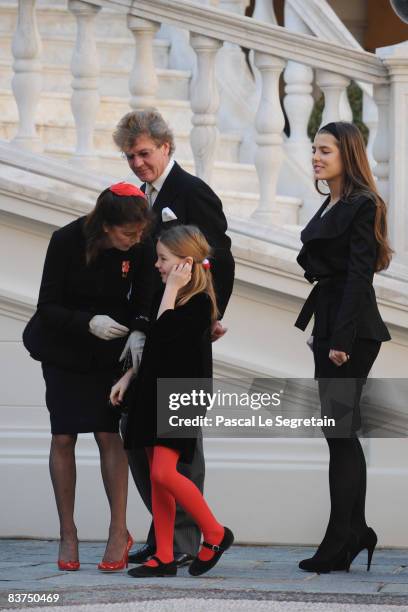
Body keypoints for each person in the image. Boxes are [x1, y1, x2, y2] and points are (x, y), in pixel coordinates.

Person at [113, 109, 235, 566]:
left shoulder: (192, 192)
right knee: (141, 438)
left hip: (182, 334)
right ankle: (166, 540)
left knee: (178, 450)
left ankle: (189, 538)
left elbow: (219, 259)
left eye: (145, 153)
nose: (138, 162)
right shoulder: (141, 198)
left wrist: (211, 314)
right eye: (130, 156)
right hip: (148, 331)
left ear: (167, 147)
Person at [23, 183, 155, 571]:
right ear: (106, 226)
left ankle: (119, 531)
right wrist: (87, 323)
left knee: (106, 433)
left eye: (140, 233)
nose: (136, 239)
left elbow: (145, 299)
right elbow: (47, 306)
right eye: (127, 233)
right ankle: (68, 533)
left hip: (108, 350)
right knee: (63, 435)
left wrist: (138, 333)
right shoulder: (65, 240)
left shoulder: (142, 244)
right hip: (65, 346)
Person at [294, 121, 392, 573]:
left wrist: (341, 340)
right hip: (332, 323)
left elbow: (358, 276)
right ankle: (355, 532)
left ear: (347, 155)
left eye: (326, 151)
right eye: (314, 149)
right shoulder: (331, 202)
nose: (316, 156)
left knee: (339, 433)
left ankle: (342, 540)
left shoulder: (361, 203)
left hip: (350, 331)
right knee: (340, 433)